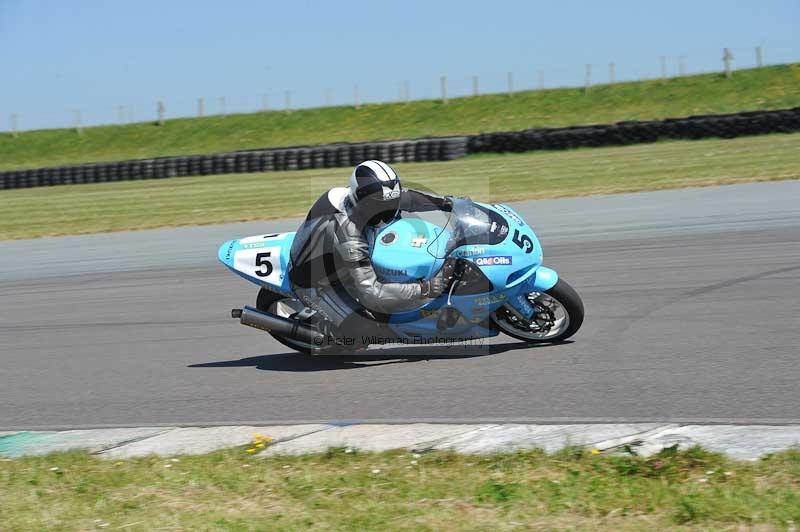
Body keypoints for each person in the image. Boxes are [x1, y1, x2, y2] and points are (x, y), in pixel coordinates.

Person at [289, 160, 453, 335]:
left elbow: (409, 198)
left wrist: (450, 203)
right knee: (364, 331)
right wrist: (426, 288)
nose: (386, 213)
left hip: (338, 258)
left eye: (390, 205)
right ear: (362, 202)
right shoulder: (349, 232)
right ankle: (323, 327)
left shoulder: (370, 199)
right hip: (317, 281)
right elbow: (371, 291)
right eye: (379, 208)